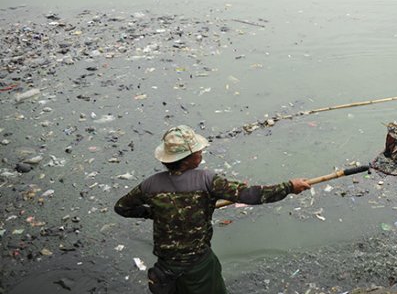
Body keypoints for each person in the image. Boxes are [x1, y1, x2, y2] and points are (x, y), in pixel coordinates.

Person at [114, 125, 310, 294]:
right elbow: (250, 195)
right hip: (197, 264)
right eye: (198, 151)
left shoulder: (150, 185)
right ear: (188, 159)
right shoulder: (206, 180)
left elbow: (122, 207)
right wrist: (289, 187)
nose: (201, 153)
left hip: (166, 265)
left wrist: (154, 213)